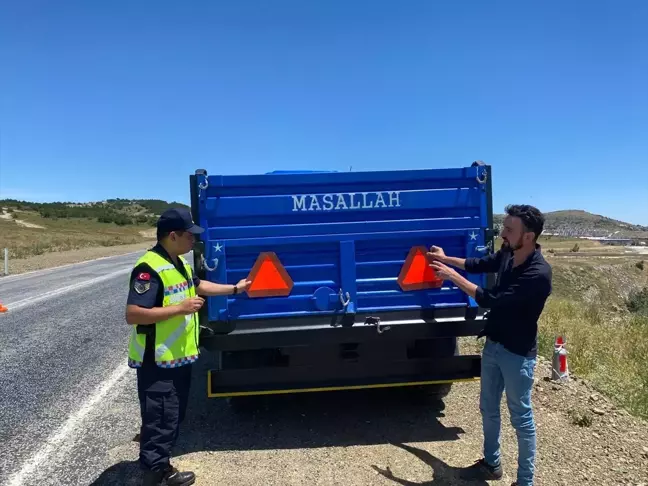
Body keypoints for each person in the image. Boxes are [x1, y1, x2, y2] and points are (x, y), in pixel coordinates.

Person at [427, 204, 552, 486]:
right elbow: (480, 265)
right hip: (494, 345)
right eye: (503, 227)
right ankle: (491, 464)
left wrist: (452, 277)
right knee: (488, 407)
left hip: (517, 354)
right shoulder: (509, 254)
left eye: (509, 229)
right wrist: (448, 259)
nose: (503, 234)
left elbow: (492, 299)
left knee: (521, 418)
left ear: (528, 236)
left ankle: (525, 481)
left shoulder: (538, 274)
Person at [125, 207, 250, 486]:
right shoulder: (149, 268)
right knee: (159, 419)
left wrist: (234, 289)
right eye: (189, 236)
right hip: (156, 361)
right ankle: (155, 476)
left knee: (171, 417)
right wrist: (180, 308)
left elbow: (199, 285)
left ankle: (158, 466)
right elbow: (133, 313)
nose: (193, 240)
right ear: (172, 235)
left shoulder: (178, 263)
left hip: (177, 358)